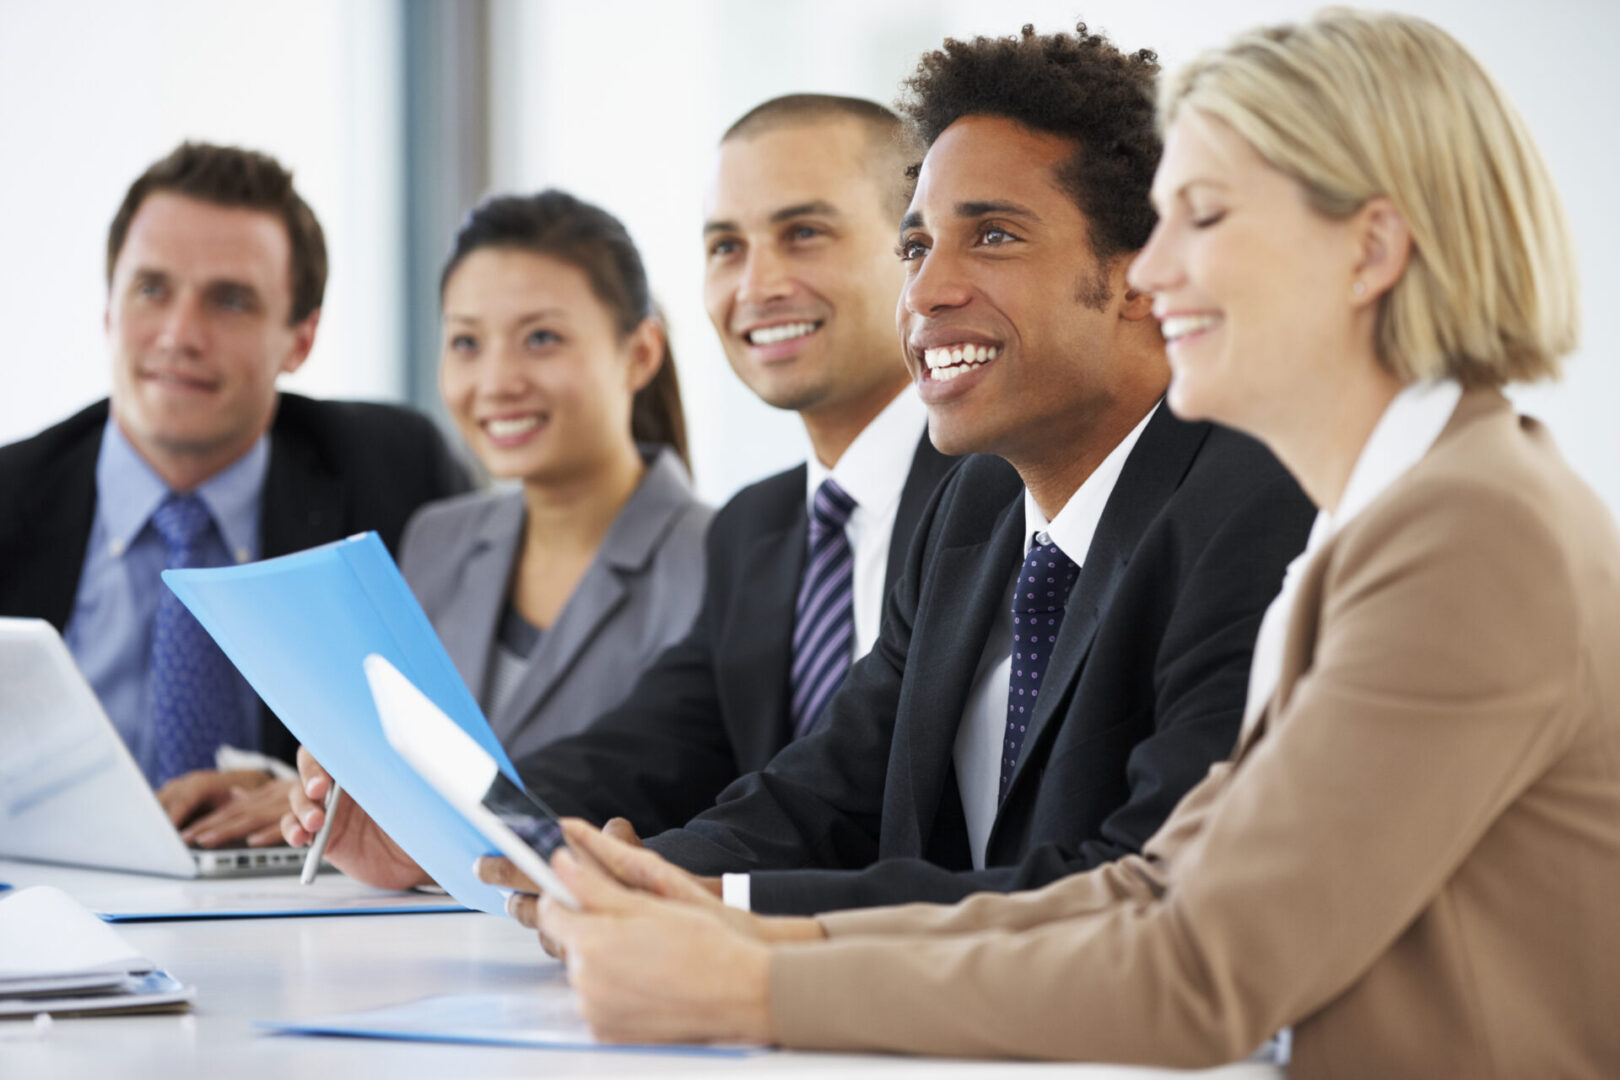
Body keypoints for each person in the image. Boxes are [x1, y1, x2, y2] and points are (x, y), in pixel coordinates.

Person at [531, 12, 1620, 1076]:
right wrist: (750, 929)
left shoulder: (1473, 535)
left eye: (1203, 218)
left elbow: (1201, 969)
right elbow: (1154, 891)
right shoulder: (1395, 517)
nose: (1153, 273)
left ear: (1371, 249)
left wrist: (758, 988)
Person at [479, 22, 1313, 918]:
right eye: (915, 248)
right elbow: (833, 788)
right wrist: (634, 882)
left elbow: (1143, 887)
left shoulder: (1258, 504)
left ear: (1143, 275)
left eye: (991, 237)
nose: (923, 292)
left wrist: (729, 912)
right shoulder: (978, 504)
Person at [282, 95, 956, 880]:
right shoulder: (760, 527)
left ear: (914, 248)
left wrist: (654, 886)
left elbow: (849, 788)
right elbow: (649, 753)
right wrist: (443, 828)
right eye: (725, 247)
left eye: (803, 233)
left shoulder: (1000, 498)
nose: (759, 283)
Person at [0, 142, 467, 848]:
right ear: (107, 310)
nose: (180, 335)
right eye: (152, 289)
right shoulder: (10, 496)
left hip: (298, 917)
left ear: (300, 338)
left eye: (230, 300)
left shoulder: (395, 474)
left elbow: (464, 736)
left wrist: (310, 789)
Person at [397, 190, 709, 762]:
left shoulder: (720, 559)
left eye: (541, 338)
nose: (495, 382)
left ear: (640, 354)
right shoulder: (435, 541)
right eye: (466, 342)